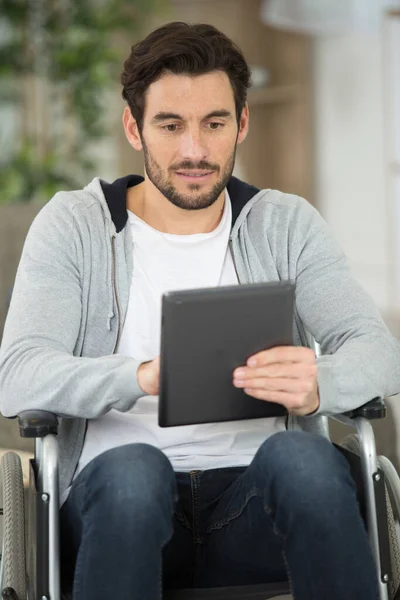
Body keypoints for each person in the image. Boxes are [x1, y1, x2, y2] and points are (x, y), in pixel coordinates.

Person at [0, 21, 399, 600]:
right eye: (170, 125)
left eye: (214, 123)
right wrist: (141, 377)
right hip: (117, 507)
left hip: (255, 509)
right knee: (135, 470)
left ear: (241, 123)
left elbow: (380, 353)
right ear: (134, 129)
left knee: (303, 459)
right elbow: (16, 376)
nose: (195, 150)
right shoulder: (74, 226)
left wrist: (320, 382)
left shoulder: (284, 223)